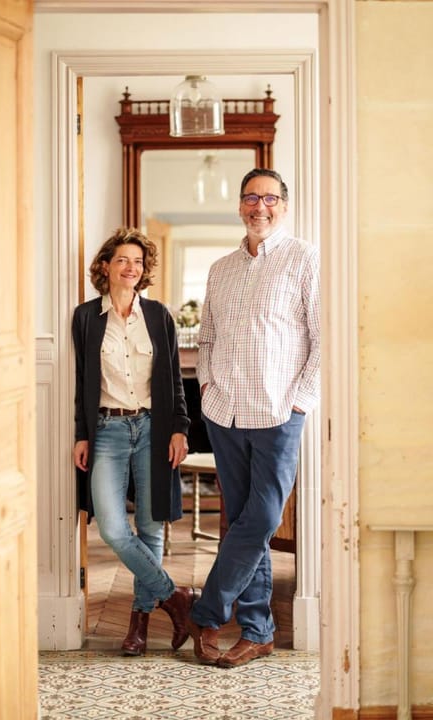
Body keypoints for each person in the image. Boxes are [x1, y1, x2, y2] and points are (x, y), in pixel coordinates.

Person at [187, 168, 320, 668]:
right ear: (240, 206)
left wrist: (299, 402)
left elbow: (326, 338)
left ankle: (204, 611)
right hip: (225, 410)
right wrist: (208, 390)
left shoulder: (306, 258)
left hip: (279, 411)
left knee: (262, 516)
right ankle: (258, 630)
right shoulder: (220, 268)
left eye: (269, 198)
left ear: (284, 205)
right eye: (250, 197)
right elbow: (207, 337)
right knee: (246, 522)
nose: (258, 206)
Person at [72, 226, 199, 657]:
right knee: (110, 526)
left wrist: (180, 427)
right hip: (107, 429)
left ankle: (140, 622)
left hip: (153, 428)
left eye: (139, 262)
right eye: (123, 260)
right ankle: (176, 597)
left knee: (149, 527)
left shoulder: (159, 315)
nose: (131, 268)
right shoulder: (86, 317)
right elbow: (81, 383)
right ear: (106, 266)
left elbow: (175, 382)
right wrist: (81, 435)